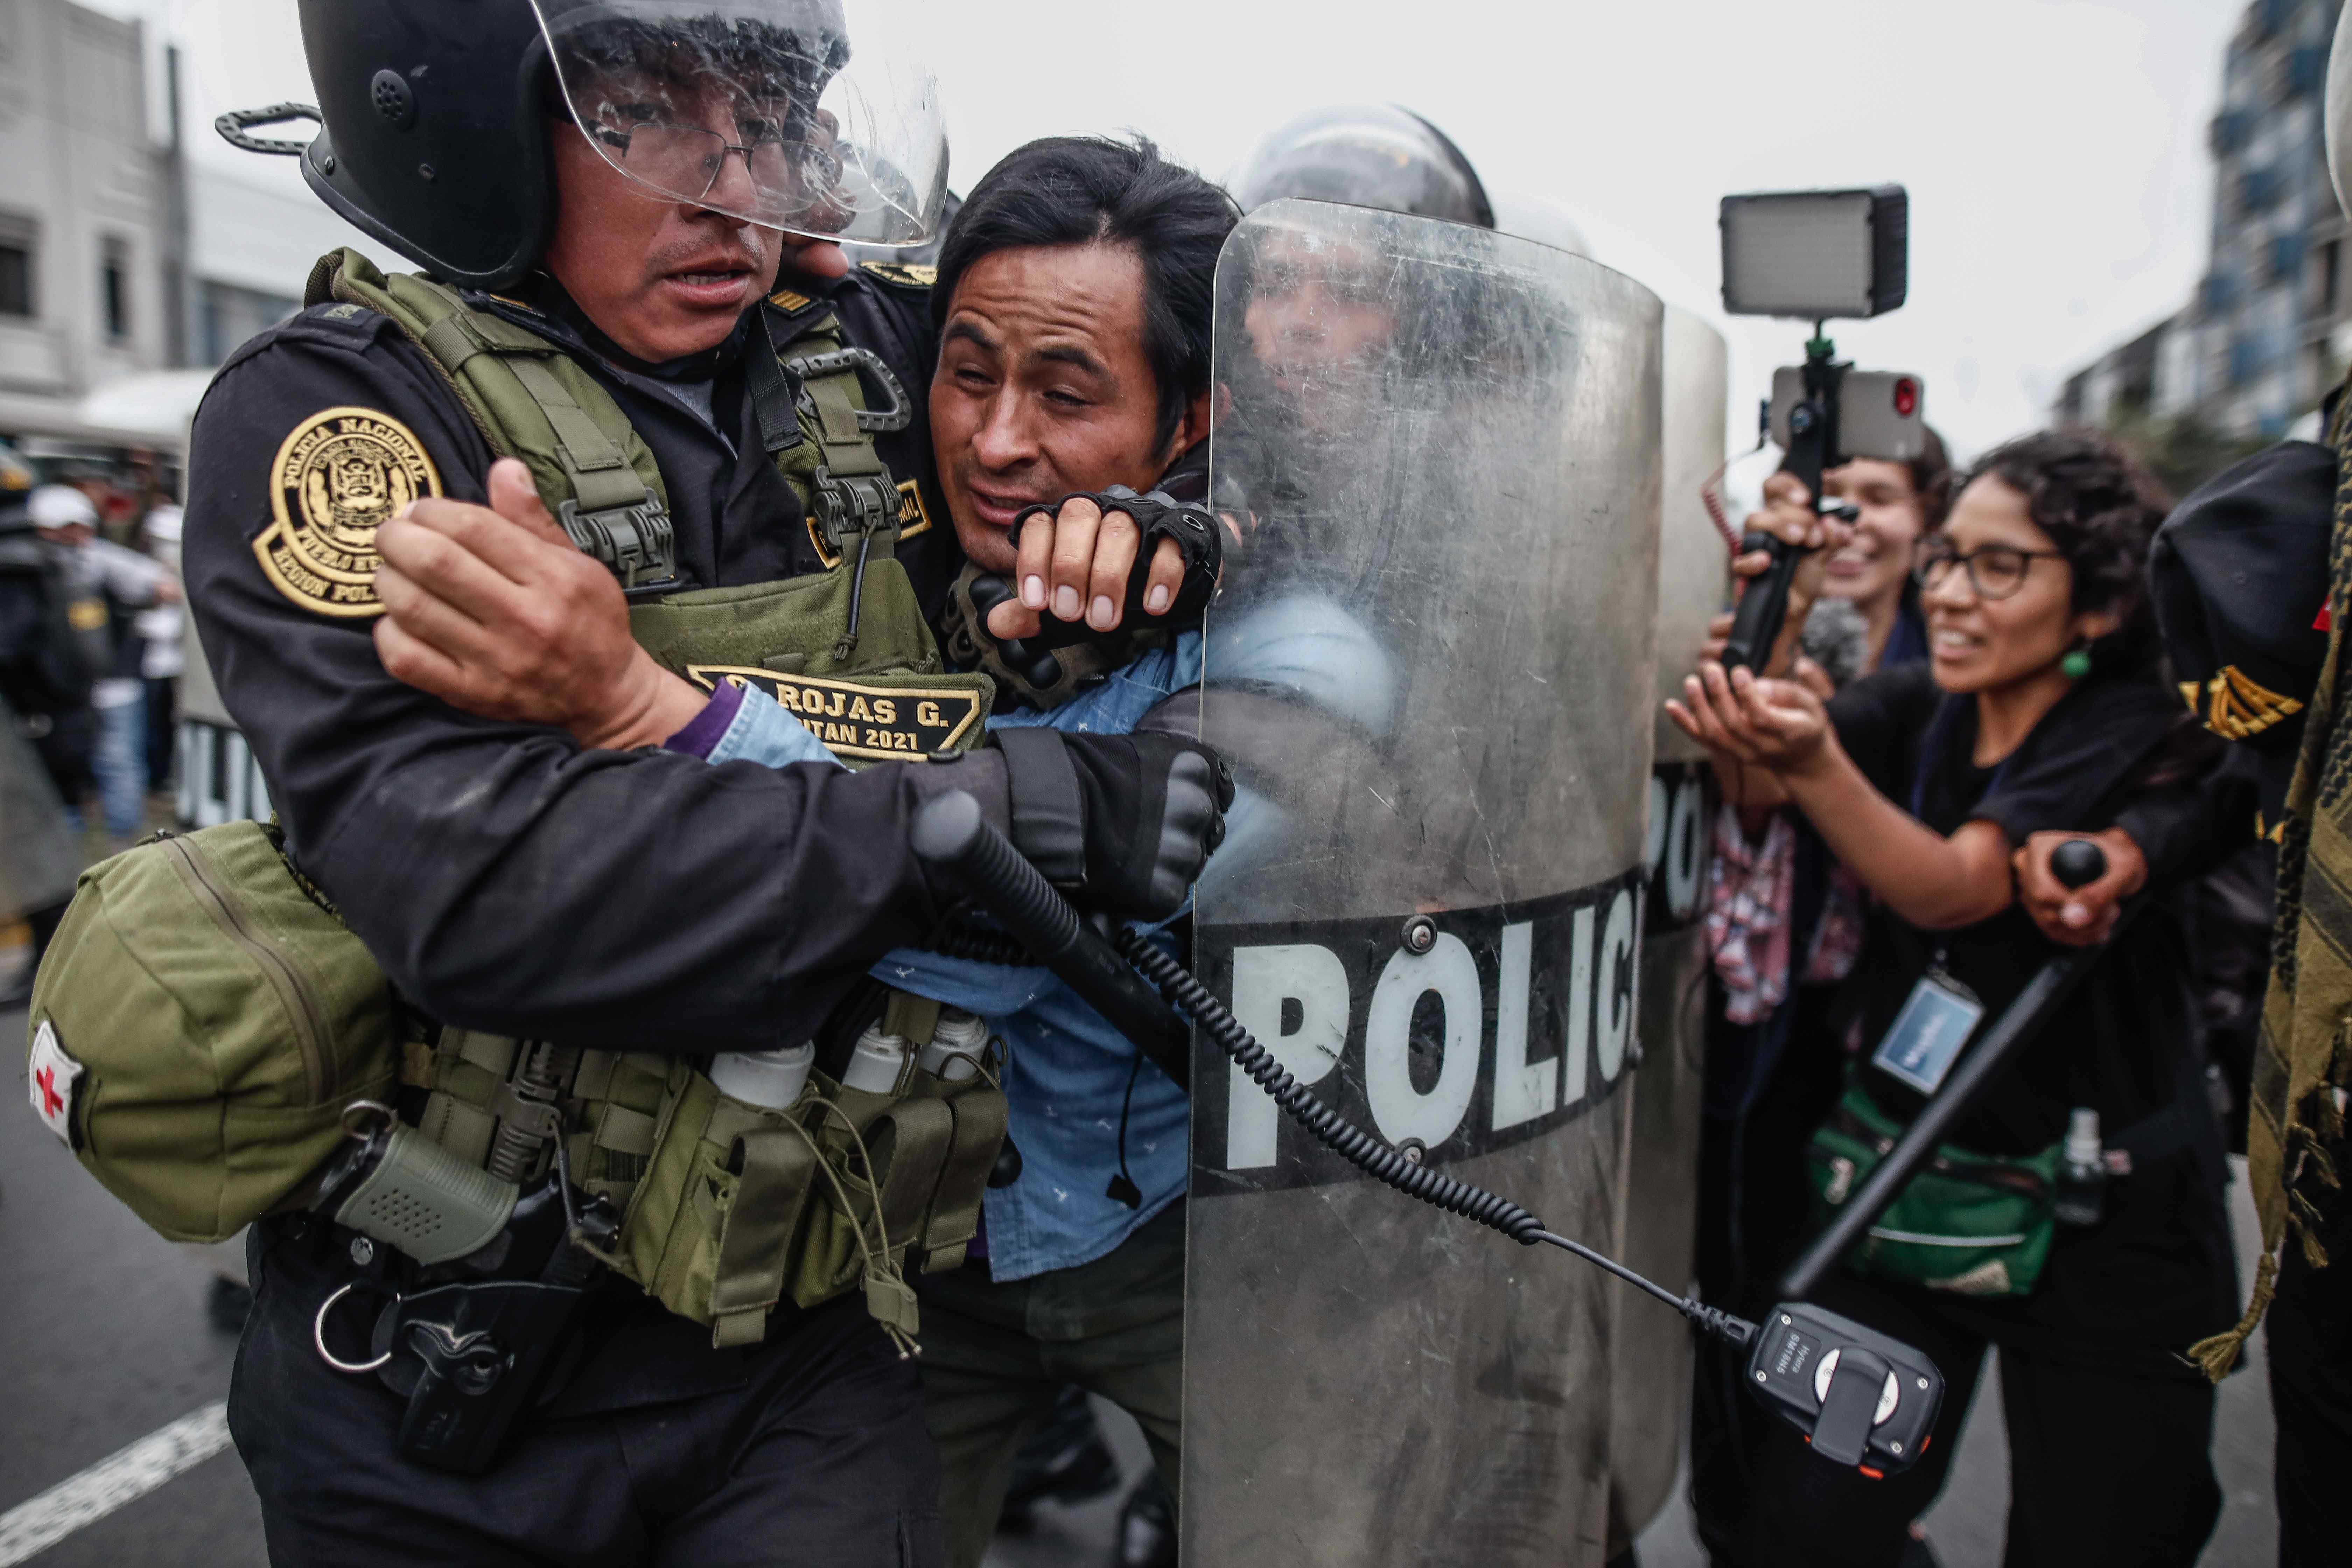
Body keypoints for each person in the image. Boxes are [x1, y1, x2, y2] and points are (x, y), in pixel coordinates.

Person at [177, 3, 1223, 1561]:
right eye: (654, 114)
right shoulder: (350, 421)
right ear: (468, 119)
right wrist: (998, 816)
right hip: (446, 1350)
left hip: (810, 1319)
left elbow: (1189, 398)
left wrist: (1181, 531)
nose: (736, 185)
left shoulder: (867, 356)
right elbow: (486, 893)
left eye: (768, 121)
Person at [1669, 430, 2236, 1568]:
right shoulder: (1922, 701)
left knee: (2100, 1536)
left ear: (2099, 606)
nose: (1955, 594)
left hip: (2111, 1229)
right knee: (1808, 1526)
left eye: (2001, 566)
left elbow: (1956, 890)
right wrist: (1771, 617)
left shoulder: (2139, 729)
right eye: (1949, 561)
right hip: (1915, 1186)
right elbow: (1754, 781)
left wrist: (1817, 765)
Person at [1686, 435, 1951, 1568]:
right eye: (1828, 502)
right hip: (1775, 1025)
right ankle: (1742, 1519)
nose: (1850, 526)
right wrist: (1768, 607)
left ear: (1929, 520)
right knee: (1751, 1284)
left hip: (1909, 1032)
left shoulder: (1964, 653)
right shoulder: (1776, 615)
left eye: (1879, 500)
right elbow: (1748, 782)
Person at [25, 483, 174, 840]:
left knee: (117, 761)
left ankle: (123, 841)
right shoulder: (29, 563)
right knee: (61, 766)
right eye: (65, 528)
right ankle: (66, 834)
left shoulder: (98, 561)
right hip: (55, 692)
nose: (75, 535)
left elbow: (163, 587)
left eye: (80, 526)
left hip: (109, 685)